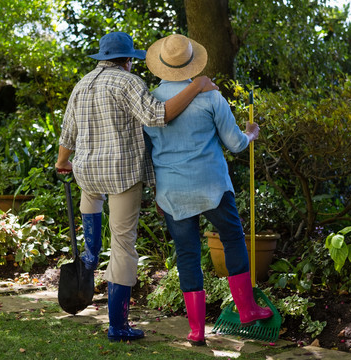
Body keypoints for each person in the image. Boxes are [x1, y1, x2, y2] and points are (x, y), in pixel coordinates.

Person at [55, 31, 218, 342]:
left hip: (87, 173)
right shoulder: (129, 82)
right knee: (123, 245)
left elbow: (68, 131)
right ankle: (117, 326)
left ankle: (89, 258)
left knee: (91, 210)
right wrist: (197, 86)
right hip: (121, 175)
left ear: (103, 59)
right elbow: (159, 115)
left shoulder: (83, 84)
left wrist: (63, 160)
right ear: (128, 60)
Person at [143, 34, 273, 346]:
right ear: (192, 63)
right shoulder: (211, 97)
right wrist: (251, 133)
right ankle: (246, 309)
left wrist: (156, 191)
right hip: (212, 186)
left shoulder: (150, 103)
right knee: (232, 238)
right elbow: (236, 144)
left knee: (187, 254)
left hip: (171, 191)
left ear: (161, 65)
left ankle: (196, 330)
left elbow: (146, 152)